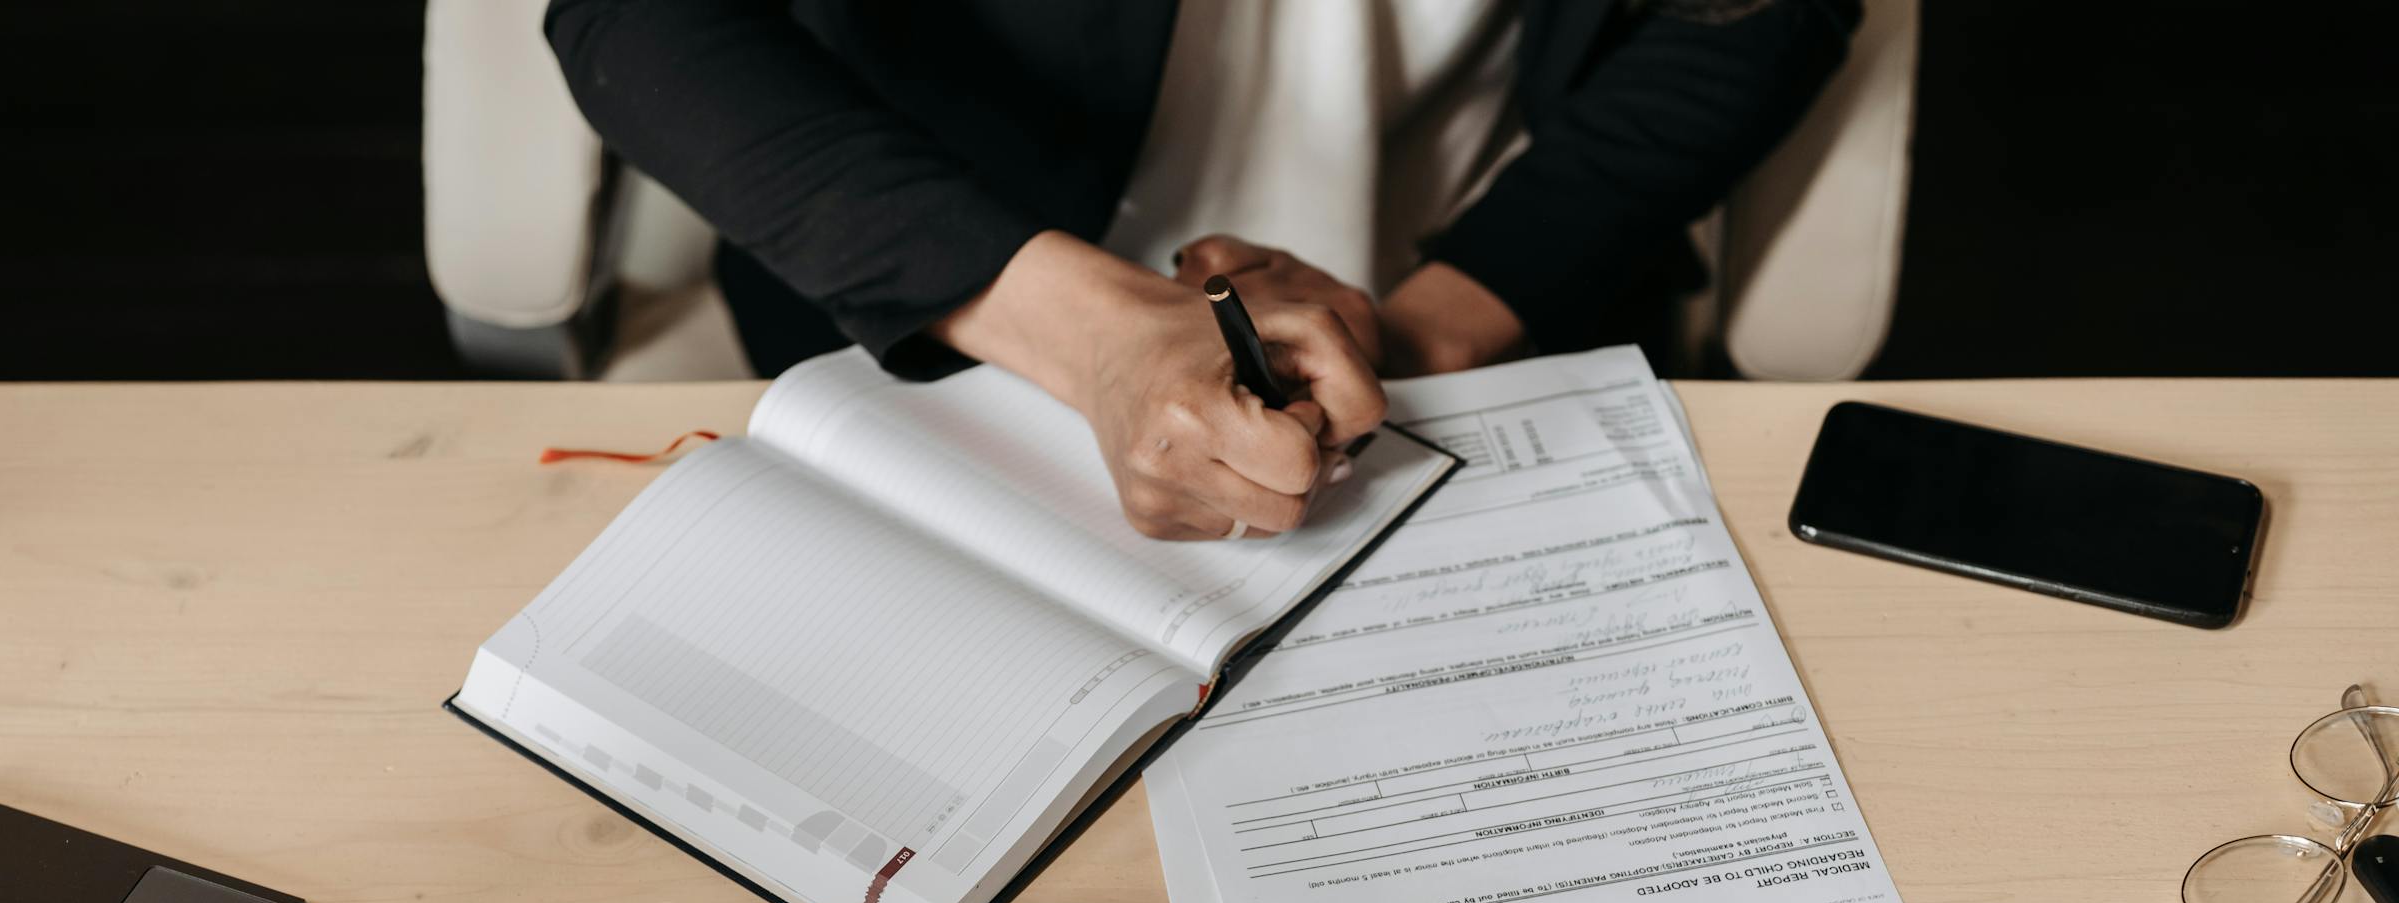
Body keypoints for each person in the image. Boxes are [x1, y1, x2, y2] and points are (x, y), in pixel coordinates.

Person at [545, 0, 1859, 538]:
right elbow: (638, 20)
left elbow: (1750, 16)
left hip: (1477, 326)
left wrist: (1449, 326)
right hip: (953, 313)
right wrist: (1093, 331)